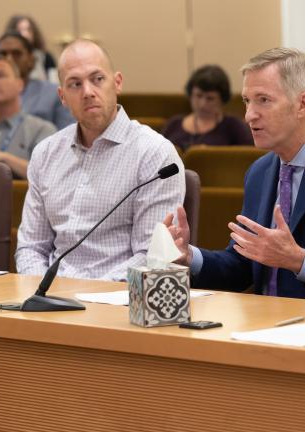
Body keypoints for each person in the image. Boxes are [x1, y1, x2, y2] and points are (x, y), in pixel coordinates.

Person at [164, 47, 305, 302]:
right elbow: (242, 266)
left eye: (263, 100)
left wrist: (299, 261)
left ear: (302, 104)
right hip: (263, 323)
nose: (249, 115)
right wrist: (190, 257)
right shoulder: (260, 172)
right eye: (246, 101)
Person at [15, 39, 185, 281]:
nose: (87, 92)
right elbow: (31, 247)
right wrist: (42, 292)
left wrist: (87, 297)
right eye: (75, 84)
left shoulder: (155, 153)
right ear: (62, 97)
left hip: (117, 301)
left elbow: (152, 255)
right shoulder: (45, 154)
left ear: (117, 83)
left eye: (97, 79)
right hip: (49, 298)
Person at [0, 55, 55, 179]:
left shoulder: (42, 129)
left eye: (1, 75)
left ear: (20, 84)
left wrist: (4, 158)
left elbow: (48, 176)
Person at [162, 65, 253, 151]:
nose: (202, 104)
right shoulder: (173, 125)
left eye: (210, 98)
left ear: (222, 99)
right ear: (190, 94)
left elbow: (247, 159)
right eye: (198, 96)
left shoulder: (235, 127)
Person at [0, 31, 74, 129]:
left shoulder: (54, 94)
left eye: (16, 54)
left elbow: (68, 136)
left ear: (31, 60)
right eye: (3, 54)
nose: (9, 59)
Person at [5, 15, 58, 84]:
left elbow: (54, 82)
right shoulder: (7, 57)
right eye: (20, 30)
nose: (25, 34)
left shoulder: (46, 57)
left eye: (28, 30)